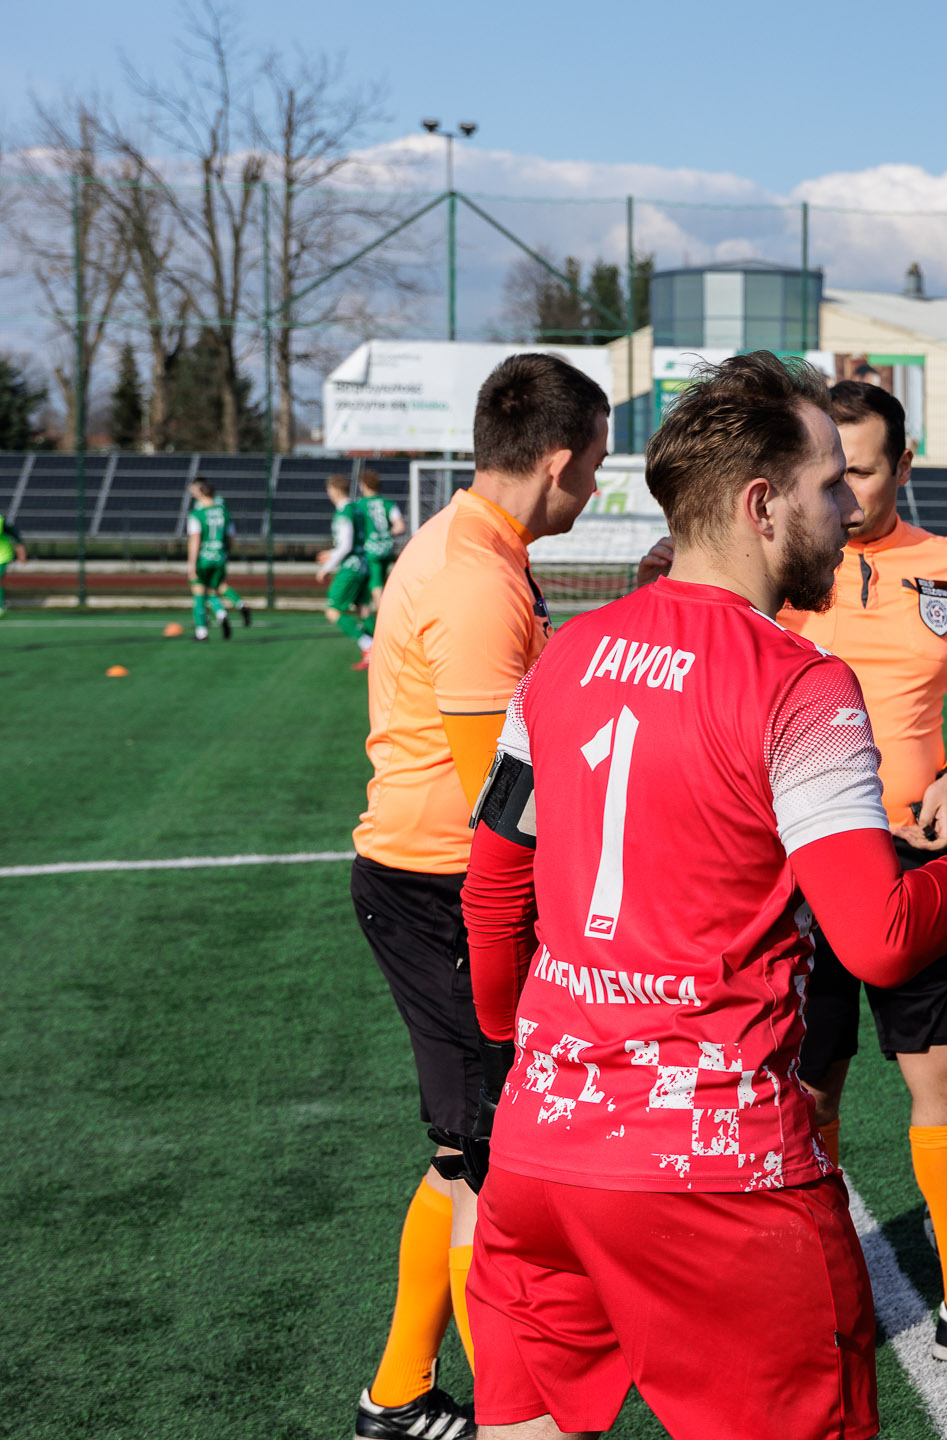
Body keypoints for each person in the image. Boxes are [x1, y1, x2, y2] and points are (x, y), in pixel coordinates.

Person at [455, 352, 947, 1440]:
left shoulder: (562, 660)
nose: (849, 511)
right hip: (719, 1177)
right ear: (761, 506)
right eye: (828, 485)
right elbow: (880, 937)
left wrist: (509, 1058)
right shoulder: (798, 683)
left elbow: (491, 896)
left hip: (539, 1155)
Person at [633, 378, 947, 1373]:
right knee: (807, 1087)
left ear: (903, 466)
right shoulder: (780, 564)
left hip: (915, 856)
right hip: (797, 864)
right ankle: (814, 1290)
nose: (848, 494)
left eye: (864, 472)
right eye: (833, 475)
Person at [346, 353, 611, 1440]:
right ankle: (515, 1416)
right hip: (443, 893)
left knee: (463, 1156)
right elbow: (497, 804)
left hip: (432, 886)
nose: (594, 487)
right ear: (556, 460)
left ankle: (399, 1393)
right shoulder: (476, 576)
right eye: (594, 466)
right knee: (499, 1169)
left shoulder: (485, 549)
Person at [318, 475, 376, 668]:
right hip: (363, 564)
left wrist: (327, 567)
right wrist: (332, 553)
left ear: (334, 490)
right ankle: (386, 648)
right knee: (364, 610)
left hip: (351, 567)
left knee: (332, 611)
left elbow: (346, 546)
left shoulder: (345, 512)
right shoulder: (357, 509)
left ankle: (369, 646)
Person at [185, 479, 251, 640]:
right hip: (220, 557)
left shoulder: (196, 514)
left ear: (201, 492)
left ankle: (202, 632)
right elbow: (231, 539)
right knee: (215, 589)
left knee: (199, 593)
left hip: (203, 559)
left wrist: (191, 565)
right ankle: (224, 613)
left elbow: (195, 540)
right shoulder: (224, 512)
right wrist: (224, 552)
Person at [360, 468, 410, 596]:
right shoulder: (388, 503)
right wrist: (386, 533)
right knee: (384, 582)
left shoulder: (359, 505)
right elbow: (400, 526)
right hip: (387, 548)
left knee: (375, 583)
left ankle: (380, 608)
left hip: (370, 549)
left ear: (364, 485)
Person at [0, 512, 22, 616]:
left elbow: (15, 535)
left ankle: (0, 607)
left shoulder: (0, 521)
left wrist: (21, 553)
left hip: (2, 556)